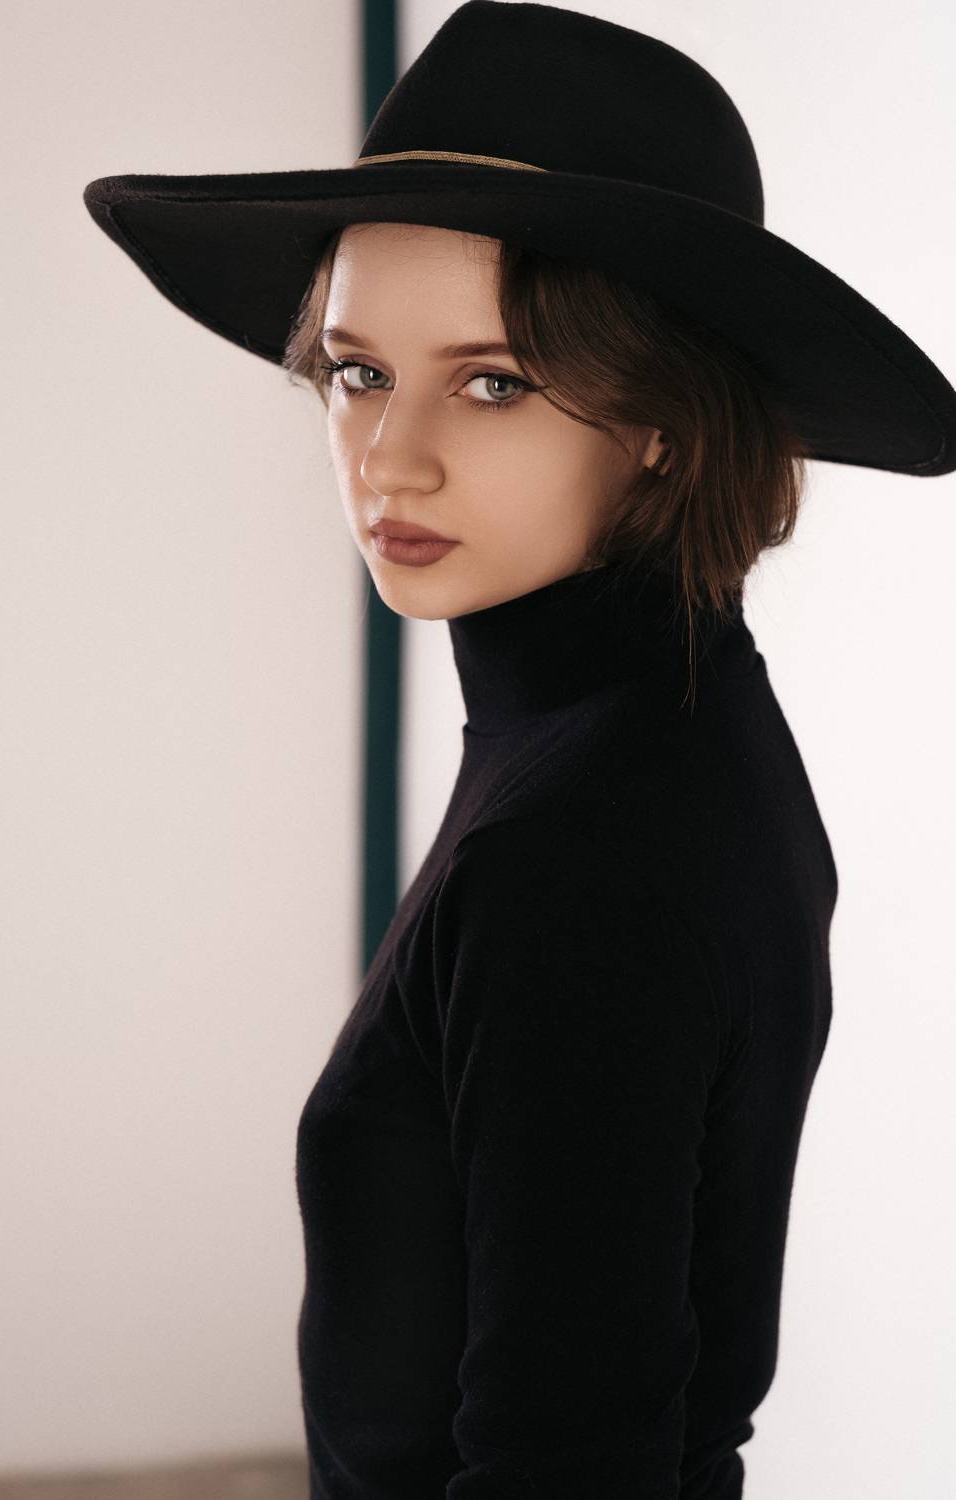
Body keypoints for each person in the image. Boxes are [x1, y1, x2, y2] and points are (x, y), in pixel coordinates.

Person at [82, 3, 956, 1495]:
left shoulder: (588, 841)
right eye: (359, 372)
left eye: (493, 381)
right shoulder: (643, 730)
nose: (390, 457)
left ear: (665, 420)